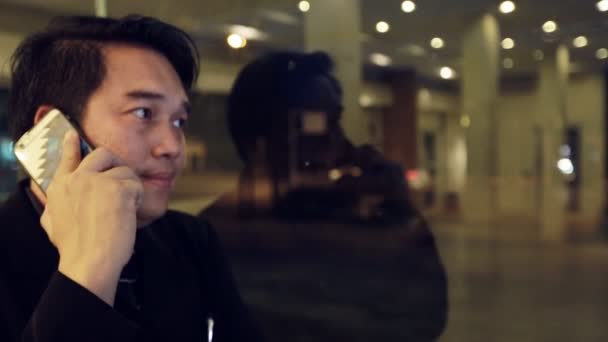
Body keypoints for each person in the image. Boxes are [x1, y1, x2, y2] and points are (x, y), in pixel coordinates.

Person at [0, 15, 262, 342]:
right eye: (143, 113)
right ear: (53, 130)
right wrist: (90, 269)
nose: (172, 147)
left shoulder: (191, 240)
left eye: (179, 121)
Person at [200, 51, 448, 341]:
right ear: (259, 140)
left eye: (335, 121)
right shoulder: (214, 234)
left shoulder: (357, 218)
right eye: (311, 126)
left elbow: (425, 316)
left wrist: (400, 213)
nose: (336, 141)